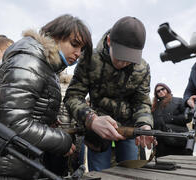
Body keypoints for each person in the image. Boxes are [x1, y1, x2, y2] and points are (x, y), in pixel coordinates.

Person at [0, 14, 93, 180]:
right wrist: (62, 141)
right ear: (55, 36)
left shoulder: (46, 65)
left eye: (82, 49)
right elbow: (13, 122)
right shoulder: (30, 60)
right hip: (3, 166)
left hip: (14, 162)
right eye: (74, 44)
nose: (78, 53)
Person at [64, 16, 156, 171]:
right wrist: (91, 119)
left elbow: (141, 101)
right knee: (101, 173)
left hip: (129, 130)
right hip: (97, 131)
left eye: (129, 59)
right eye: (120, 57)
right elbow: (73, 97)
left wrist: (145, 125)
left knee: (132, 172)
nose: (124, 63)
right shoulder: (89, 59)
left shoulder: (142, 68)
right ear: (109, 41)